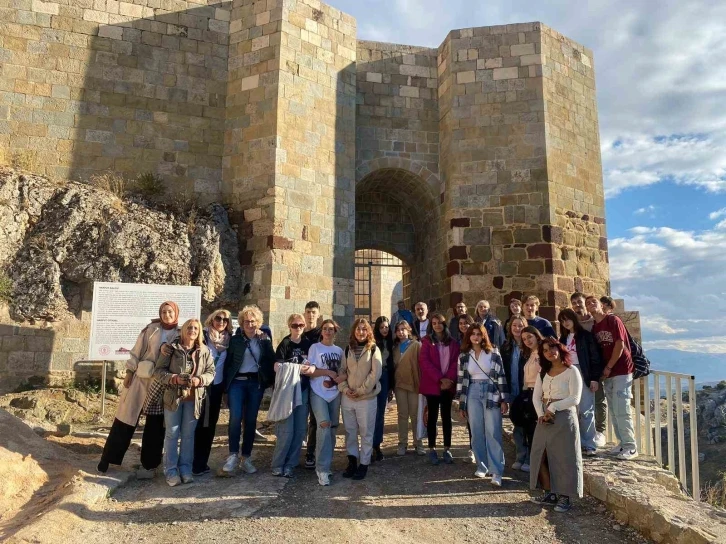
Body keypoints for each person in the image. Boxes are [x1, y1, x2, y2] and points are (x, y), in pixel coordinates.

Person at [97, 301, 179, 477]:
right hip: (141, 379)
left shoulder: (180, 333)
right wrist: (129, 371)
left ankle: (149, 464)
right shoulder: (151, 329)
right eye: (164, 312)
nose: (167, 315)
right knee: (125, 418)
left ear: (176, 313)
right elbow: (136, 351)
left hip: (161, 383)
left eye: (170, 311)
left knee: (155, 425)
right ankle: (108, 457)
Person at [155, 318, 215, 486]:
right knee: (172, 434)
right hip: (174, 398)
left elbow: (211, 372)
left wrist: (199, 380)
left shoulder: (205, 351)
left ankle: (186, 469)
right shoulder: (171, 349)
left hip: (194, 399)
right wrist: (174, 379)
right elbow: (158, 372)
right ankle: (171, 471)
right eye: (189, 327)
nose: (192, 331)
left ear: (200, 331)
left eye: (196, 328)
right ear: (183, 330)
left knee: (188, 436)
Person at [530, 337, 583, 513]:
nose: (549, 352)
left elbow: (575, 398)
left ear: (559, 348)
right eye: (545, 350)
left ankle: (565, 496)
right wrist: (541, 414)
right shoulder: (543, 372)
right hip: (544, 417)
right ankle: (550, 492)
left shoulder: (571, 371)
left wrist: (553, 407)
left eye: (552, 348)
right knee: (542, 453)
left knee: (564, 456)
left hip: (564, 416)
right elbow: (536, 397)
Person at [221, 305, 276, 475]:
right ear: (242, 323)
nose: (250, 325)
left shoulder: (264, 340)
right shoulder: (236, 340)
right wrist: (225, 387)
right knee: (236, 417)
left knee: (251, 420)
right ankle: (232, 455)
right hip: (237, 382)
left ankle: (246, 457)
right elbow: (228, 362)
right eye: (246, 322)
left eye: (253, 321)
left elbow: (270, 360)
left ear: (258, 323)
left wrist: (270, 381)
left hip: (255, 383)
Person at [457, 323, 509, 487]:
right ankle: (482, 465)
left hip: (491, 391)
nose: (475, 337)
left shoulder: (493, 352)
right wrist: (461, 403)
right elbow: (461, 380)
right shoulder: (464, 355)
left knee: (493, 431)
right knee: (477, 430)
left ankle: (497, 471)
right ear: (468, 337)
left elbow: (501, 375)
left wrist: (504, 399)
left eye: (479, 334)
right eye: (472, 334)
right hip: (472, 391)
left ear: (484, 335)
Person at [587, 296, 638, 461]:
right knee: (614, 410)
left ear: (601, 305)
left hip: (621, 370)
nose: (590, 304)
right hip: (608, 373)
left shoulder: (612, 320)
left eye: (593, 301)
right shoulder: (595, 327)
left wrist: (609, 367)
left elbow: (619, 344)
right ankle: (622, 443)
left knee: (622, 408)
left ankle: (631, 446)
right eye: (588, 303)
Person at [270, 313, 315, 478]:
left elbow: (312, 366)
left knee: (300, 429)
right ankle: (278, 463)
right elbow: (277, 366)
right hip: (287, 391)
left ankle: (291, 464)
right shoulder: (285, 343)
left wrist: (307, 369)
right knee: (286, 430)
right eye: (295, 325)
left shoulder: (308, 344)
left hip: (302, 390)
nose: (298, 328)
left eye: (301, 325)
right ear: (289, 326)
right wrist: (297, 368)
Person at [339, 318, 382, 481]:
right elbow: (342, 370)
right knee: (350, 431)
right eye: (358, 329)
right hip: (348, 397)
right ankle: (352, 461)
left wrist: (361, 390)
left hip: (366, 398)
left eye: (364, 329)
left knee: (366, 431)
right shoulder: (348, 349)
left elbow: (375, 374)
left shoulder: (374, 349)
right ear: (354, 331)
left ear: (368, 331)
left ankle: (364, 463)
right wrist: (344, 388)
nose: (361, 332)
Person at [192, 309, 233, 476]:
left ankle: (201, 463)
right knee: (194, 424)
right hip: (199, 385)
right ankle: (189, 461)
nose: (221, 321)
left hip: (216, 387)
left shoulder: (229, 340)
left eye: (225, 319)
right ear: (212, 318)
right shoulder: (202, 336)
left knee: (209, 425)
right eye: (218, 318)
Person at [558, 309, 602, 456]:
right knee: (571, 410)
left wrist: (594, 378)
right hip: (568, 373)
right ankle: (575, 443)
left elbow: (595, 358)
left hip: (584, 373)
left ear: (573, 319)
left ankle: (589, 444)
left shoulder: (585, 336)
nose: (566, 322)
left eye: (567, 319)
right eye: (562, 320)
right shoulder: (563, 339)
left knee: (586, 409)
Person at [419, 312, 460, 465]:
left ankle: (447, 448)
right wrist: (439, 378)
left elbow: (456, 362)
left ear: (444, 324)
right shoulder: (427, 341)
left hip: (447, 385)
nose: (437, 325)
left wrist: (448, 379)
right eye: (434, 323)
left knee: (446, 417)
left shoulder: (453, 343)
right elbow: (424, 362)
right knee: (432, 417)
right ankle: (432, 448)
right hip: (433, 385)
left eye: (440, 322)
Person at [307, 319, 345, 486]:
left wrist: (337, 379)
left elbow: (343, 371)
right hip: (318, 392)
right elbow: (311, 371)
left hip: (334, 393)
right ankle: (321, 469)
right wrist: (328, 372)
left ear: (335, 332)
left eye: (331, 329)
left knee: (332, 428)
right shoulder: (315, 348)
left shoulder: (339, 350)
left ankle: (326, 464)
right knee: (323, 424)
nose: (328, 332)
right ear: (321, 331)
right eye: (325, 329)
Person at [571, 291, 605, 447]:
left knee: (598, 400)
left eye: (579, 302)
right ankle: (584, 435)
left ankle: (600, 432)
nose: (578, 305)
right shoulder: (574, 324)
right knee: (582, 403)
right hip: (583, 367)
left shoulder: (595, 322)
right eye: (574, 303)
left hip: (599, 365)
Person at [501, 315, 530, 472]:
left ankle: (530, 458)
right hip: (512, 391)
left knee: (529, 425)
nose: (517, 329)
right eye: (514, 326)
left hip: (527, 391)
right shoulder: (505, 347)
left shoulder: (530, 346)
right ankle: (520, 456)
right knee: (518, 424)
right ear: (510, 328)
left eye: (520, 325)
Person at [392, 320, 424, 456]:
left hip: (414, 384)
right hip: (399, 385)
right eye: (398, 330)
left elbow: (422, 365)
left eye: (403, 329)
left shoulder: (416, 345)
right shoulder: (394, 348)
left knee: (416, 414)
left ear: (409, 330)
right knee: (402, 414)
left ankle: (418, 443)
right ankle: (402, 443)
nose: (401, 332)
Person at [372, 316, 395, 462]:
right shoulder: (373, 343)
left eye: (386, 327)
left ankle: (376, 446)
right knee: (370, 412)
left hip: (386, 376)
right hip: (374, 376)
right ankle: (369, 444)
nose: (384, 329)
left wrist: (391, 387)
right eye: (381, 327)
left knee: (380, 413)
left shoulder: (393, 342)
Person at [303, 300, 322, 469]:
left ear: (318, 314)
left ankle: (311, 452)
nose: (310, 315)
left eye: (313, 312)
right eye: (308, 312)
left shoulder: (322, 334)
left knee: (315, 420)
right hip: (301, 382)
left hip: (316, 382)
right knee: (301, 417)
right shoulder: (299, 332)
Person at [456, 313, 476, 462]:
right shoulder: (457, 340)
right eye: (461, 323)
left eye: (466, 323)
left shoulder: (476, 338)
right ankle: (473, 448)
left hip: (478, 383)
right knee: (470, 420)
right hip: (466, 383)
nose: (463, 326)